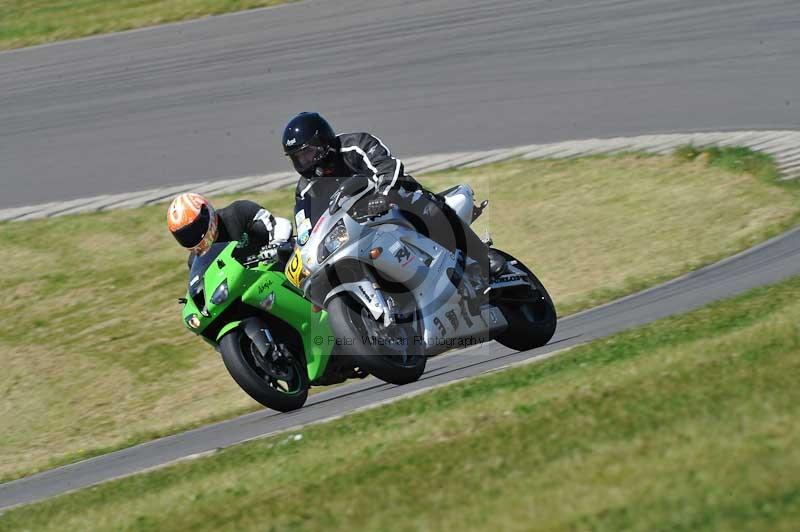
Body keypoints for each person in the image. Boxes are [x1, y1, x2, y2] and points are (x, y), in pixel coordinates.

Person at [281, 112, 506, 278]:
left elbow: (388, 168)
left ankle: (482, 257)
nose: (305, 162)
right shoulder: (305, 188)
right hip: (356, 231)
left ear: (323, 143)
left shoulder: (355, 145)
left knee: (419, 203)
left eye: (308, 153)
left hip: (394, 203)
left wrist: (383, 195)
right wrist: (299, 249)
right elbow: (306, 226)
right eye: (298, 158)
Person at [167, 192, 292, 266]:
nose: (193, 236)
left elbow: (279, 224)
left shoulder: (240, 213)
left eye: (195, 229)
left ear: (207, 213)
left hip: (274, 270)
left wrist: (276, 245)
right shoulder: (195, 261)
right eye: (186, 235)